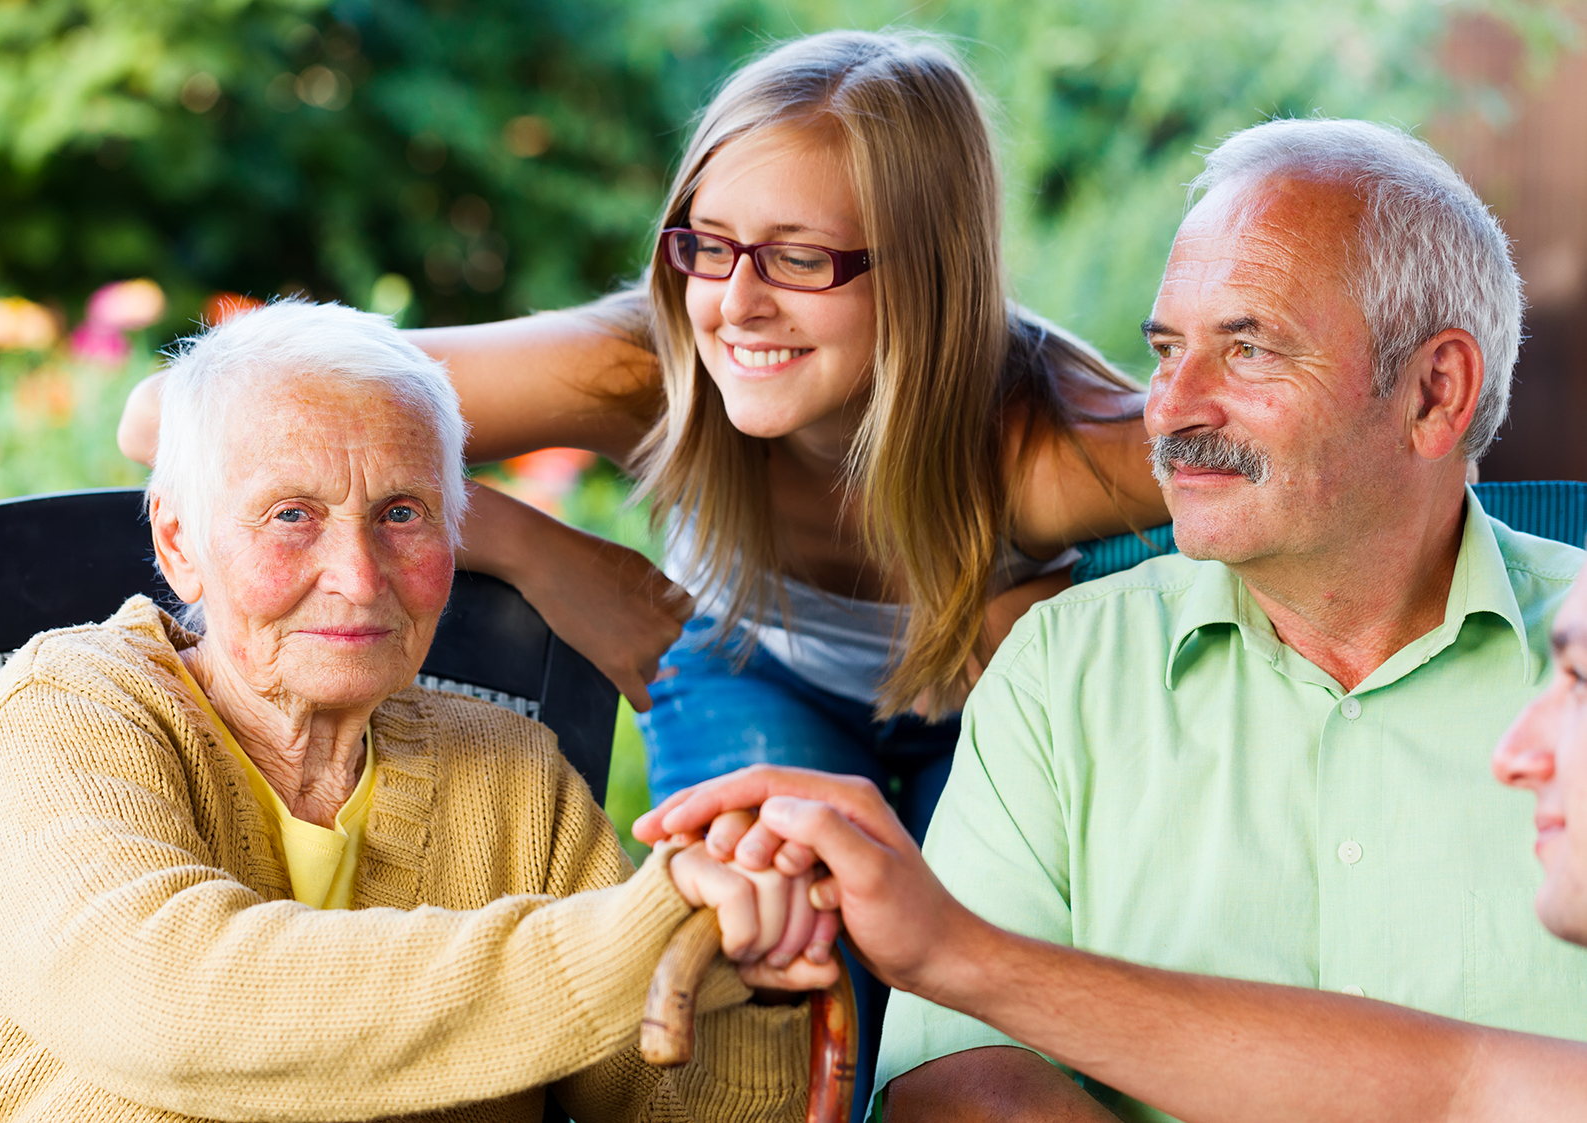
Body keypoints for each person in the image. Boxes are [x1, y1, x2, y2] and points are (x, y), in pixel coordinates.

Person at [115, 32, 1167, 1114]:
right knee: (778, 978)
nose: (737, 304)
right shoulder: (647, 367)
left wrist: (1069, 609)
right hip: (751, 663)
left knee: (965, 1022)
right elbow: (170, 415)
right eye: (709, 245)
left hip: (986, 695)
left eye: (800, 256)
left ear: (929, 272)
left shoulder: (1050, 448)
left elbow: (1286, 476)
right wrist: (541, 548)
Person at [652, 116, 1587, 1122]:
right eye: (1165, 350)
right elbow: (951, 1075)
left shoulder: (1570, 663)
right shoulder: (1060, 664)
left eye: (1247, 347)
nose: (1169, 405)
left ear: (1433, 390)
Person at [0, 300, 837, 1123]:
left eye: (402, 513)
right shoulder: (72, 709)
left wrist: (742, 974)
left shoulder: (516, 776)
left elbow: (665, 1100)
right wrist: (636, 935)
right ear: (180, 543)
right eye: (289, 515)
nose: (357, 578)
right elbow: (165, 1003)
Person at [627, 577, 1587, 1122]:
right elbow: (1461, 1084)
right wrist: (951, 952)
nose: (1511, 749)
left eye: (1577, 682)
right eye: (1164, 350)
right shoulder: (1063, 659)